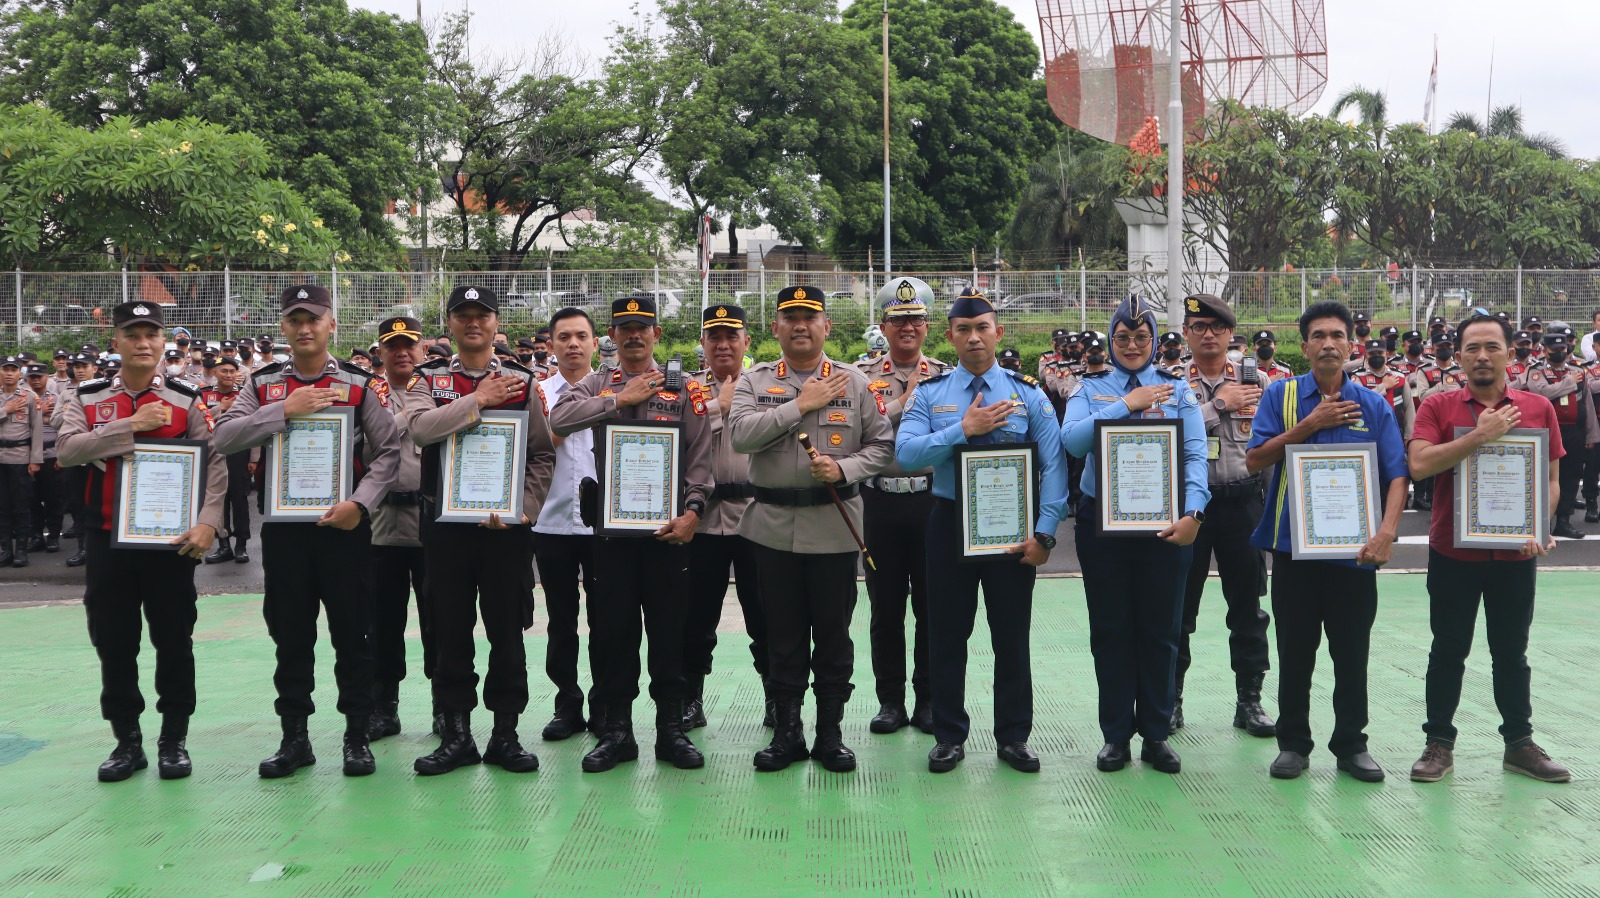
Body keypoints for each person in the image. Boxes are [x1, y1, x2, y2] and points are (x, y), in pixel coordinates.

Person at [215, 284, 404, 779]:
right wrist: (284, 410)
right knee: (291, 637)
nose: (304, 328)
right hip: (285, 533)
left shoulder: (360, 386)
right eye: (295, 319)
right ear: (283, 327)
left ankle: (357, 736)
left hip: (343, 529)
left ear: (331, 325)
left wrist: (360, 504)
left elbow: (388, 453)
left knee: (352, 635)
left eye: (313, 319)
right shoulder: (262, 385)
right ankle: (294, 738)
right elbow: (223, 436)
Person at [894, 288, 1068, 773]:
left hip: (1013, 527)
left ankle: (1014, 737)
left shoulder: (1028, 394)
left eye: (983, 328)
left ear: (998, 333)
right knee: (947, 633)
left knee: (1011, 636)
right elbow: (905, 455)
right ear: (949, 336)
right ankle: (949, 735)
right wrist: (961, 430)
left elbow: (1053, 467)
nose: (974, 338)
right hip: (950, 522)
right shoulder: (931, 395)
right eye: (964, 330)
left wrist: (1046, 534)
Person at [56, 300, 229, 781]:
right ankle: (126, 742)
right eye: (132, 334)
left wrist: (209, 522)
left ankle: (174, 739)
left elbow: (215, 465)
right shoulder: (86, 396)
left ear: (163, 342)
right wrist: (127, 426)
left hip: (170, 543)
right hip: (107, 538)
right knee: (113, 640)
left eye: (151, 333)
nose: (143, 342)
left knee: (174, 638)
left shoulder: (185, 398)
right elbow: (68, 451)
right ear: (117, 341)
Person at [728, 285, 895, 773]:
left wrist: (844, 471)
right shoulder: (754, 381)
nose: (800, 326)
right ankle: (787, 732)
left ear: (827, 327)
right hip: (772, 529)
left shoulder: (854, 382)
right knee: (781, 636)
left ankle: (830, 733)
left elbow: (882, 447)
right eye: (790, 318)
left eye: (810, 317)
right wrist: (800, 405)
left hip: (834, 528)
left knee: (833, 634)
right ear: (775, 328)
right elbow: (740, 435)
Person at [1244, 300, 1409, 783]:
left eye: (1338, 335)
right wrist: (1309, 426)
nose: (1329, 344)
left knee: (1351, 651)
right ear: (1304, 344)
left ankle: (1351, 745)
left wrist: (1387, 532)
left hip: (1356, 553)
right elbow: (1255, 460)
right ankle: (1293, 744)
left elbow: (1397, 475)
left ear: (1351, 344)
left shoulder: (1374, 404)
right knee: (1296, 650)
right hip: (1295, 550)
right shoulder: (1282, 397)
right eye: (1318, 335)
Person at [550, 294, 714, 772]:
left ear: (657, 334)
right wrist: (620, 400)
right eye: (625, 328)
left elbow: (700, 460)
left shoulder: (685, 389)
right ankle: (617, 731)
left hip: (668, 535)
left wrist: (693, 512)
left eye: (643, 327)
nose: (634, 335)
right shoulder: (597, 384)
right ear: (613, 336)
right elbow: (558, 419)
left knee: (670, 632)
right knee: (614, 635)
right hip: (613, 538)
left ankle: (670, 730)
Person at [1405, 312, 1571, 784]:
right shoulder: (1437, 407)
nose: (1482, 356)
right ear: (1458, 356)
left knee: (1511, 651)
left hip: (1516, 554)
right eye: (1472, 348)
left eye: (1491, 347)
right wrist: (1480, 436)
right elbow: (1418, 465)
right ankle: (1439, 743)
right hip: (1454, 553)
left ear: (1510, 352)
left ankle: (1519, 743)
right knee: (1448, 649)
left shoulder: (1537, 407)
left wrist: (1541, 522)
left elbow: (1553, 480)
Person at [405, 285, 555, 776]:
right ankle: (456, 735)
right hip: (446, 528)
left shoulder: (523, 381)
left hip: (503, 528)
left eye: (482, 315)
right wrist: (480, 398)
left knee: (507, 629)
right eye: (463, 315)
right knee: (449, 629)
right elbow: (422, 430)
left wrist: (524, 508)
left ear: (495, 322)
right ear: (449, 322)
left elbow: (540, 454)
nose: (473, 323)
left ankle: (506, 735)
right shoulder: (428, 379)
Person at [1062, 295, 1209, 775]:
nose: (1131, 345)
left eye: (1140, 337)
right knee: (1110, 629)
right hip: (1102, 525)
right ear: (1111, 339)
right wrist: (1127, 404)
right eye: (1122, 337)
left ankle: (1157, 732)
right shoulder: (1092, 389)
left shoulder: (1178, 389)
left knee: (1161, 630)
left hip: (1164, 526)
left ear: (1153, 340)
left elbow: (1192, 455)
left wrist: (1194, 512)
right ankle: (1115, 736)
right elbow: (1073, 440)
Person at [1175, 294, 1275, 738]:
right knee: (1178, 610)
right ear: (1186, 333)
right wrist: (1219, 405)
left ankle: (1249, 701)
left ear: (1230, 333)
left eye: (1217, 327)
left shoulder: (1261, 381)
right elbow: (1167, 436)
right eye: (1199, 327)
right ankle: (1170, 700)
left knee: (1248, 609)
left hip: (1243, 505)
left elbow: (1274, 446)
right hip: (1192, 508)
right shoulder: (1172, 383)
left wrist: (1272, 509)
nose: (1208, 334)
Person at [854, 277, 950, 736]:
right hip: (880, 503)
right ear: (884, 327)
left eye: (914, 319)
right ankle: (890, 700)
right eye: (898, 320)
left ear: (927, 326)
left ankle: (929, 699)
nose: (907, 327)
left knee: (933, 607)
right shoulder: (861, 375)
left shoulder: (947, 375)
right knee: (885, 607)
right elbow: (857, 429)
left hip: (932, 500)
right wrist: (904, 403)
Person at [681, 304, 770, 732]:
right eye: (713, 336)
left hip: (754, 515)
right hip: (701, 518)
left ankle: (777, 697)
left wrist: (729, 405)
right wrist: (717, 406)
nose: (722, 344)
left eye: (731, 335)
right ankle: (690, 698)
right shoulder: (687, 389)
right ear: (703, 343)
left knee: (765, 614)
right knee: (696, 616)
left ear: (746, 342)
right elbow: (680, 441)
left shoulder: (763, 386)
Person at [531, 307, 602, 742]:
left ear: (595, 342)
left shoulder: (614, 387)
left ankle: (605, 704)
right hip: (551, 521)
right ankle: (567, 704)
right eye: (564, 337)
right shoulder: (537, 393)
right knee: (560, 620)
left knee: (607, 619)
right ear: (551, 345)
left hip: (602, 526)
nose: (573, 344)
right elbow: (537, 444)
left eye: (581, 336)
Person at [365, 316, 436, 743]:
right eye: (393, 346)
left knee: (439, 621)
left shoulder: (438, 390)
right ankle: (382, 706)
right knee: (381, 622)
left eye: (409, 344)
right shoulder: (366, 396)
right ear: (381, 352)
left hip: (429, 522)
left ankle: (444, 706)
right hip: (380, 523)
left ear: (423, 349)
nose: (402, 352)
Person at [1514, 329, 1598, 539]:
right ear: (1545, 350)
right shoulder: (1537, 371)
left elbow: (1586, 403)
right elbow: (1541, 392)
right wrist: (1568, 383)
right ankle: (1540, 522)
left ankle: (1563, 521)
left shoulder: (1577, 370)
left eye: (1563, 348)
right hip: (1547, 431)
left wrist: (1591, 435)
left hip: (1574, 432)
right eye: (1555, 349)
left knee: (1570, 477)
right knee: (1542, 477)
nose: (1561, 352)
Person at [200, 357, 255, 564]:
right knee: (218, 500)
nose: (229, 375)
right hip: (214, 456)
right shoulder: (204, 394)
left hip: (239, 454)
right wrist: (219, 409)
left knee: (239, 500)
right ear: (215, 373)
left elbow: (254, 426)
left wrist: (255, 458)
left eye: (232, 371)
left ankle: (241, 544)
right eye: (224, 371)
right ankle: (224, 545)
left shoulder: (244, 395)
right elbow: (200, 423)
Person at [0, 355, 42, 568]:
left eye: (13, 370)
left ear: (19, 373)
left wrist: (35, 460)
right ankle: (5, 549)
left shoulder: (29, 396)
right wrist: (5, 411)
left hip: (20, 457)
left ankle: (21, 551)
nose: (9, 373)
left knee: (21, 506)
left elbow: (37, 430)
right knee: (2, 506)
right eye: (5, 369)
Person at [24, 364, 65, 555]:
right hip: (28, 455)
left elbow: (64, 429)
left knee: (52, 498)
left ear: (47, 377)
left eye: (39, 376)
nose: (35, 379)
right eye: (32, 376)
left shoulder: (57, 399)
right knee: (31, 499)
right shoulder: (22, 399)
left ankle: (54, 537)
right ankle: (37, 536)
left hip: (51, 455)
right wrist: (39, 412)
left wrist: (62, 455)